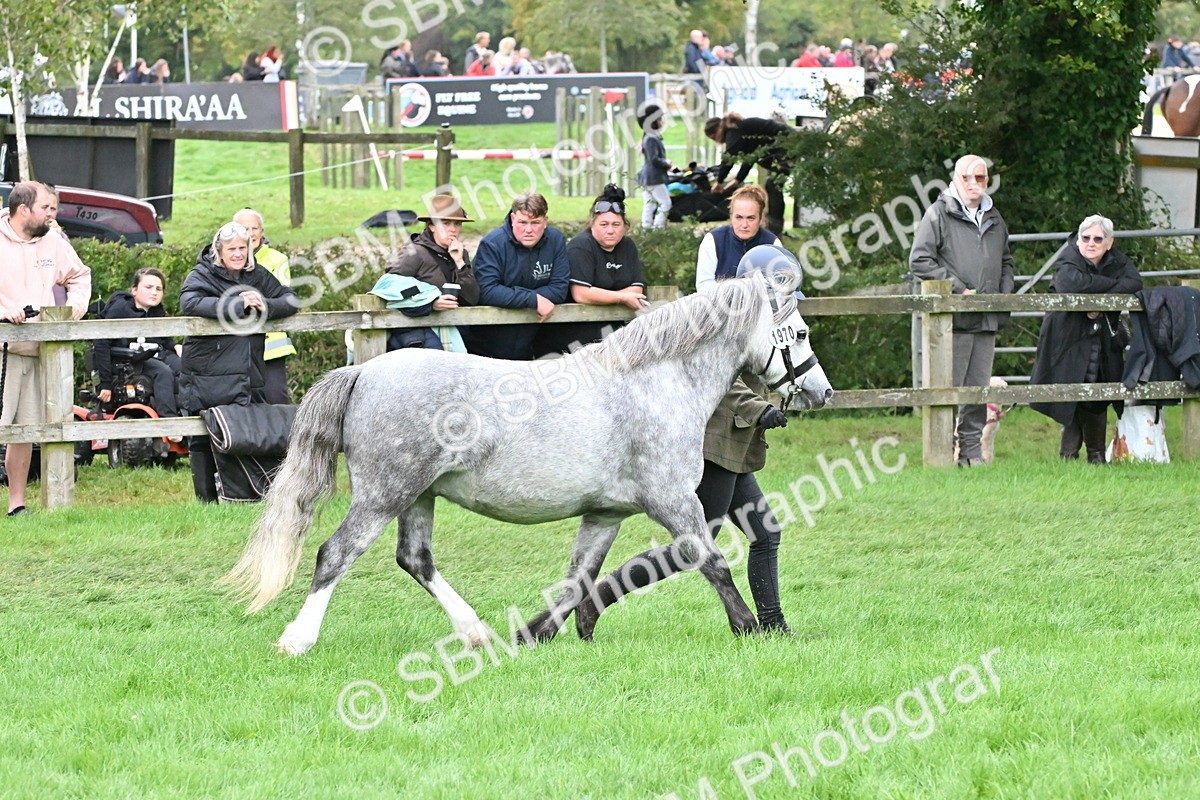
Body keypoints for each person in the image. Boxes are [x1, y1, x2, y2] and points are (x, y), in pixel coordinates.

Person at [573, 244, 803, 638]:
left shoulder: (760, 322)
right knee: (693, 549)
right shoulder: (721, 323)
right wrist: (758, 409)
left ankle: (774, 627)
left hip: (738, 445)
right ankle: (602, 595)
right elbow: (715, 382)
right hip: (714, 445)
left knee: (764, 533)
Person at [178, 222, 298, 501]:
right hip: (208, 370)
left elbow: (290, 299)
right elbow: (190, 302)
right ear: (219, 251)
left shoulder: (256, 274)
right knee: (203, 433)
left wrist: (263, 304)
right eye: (232, 248)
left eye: (243, 248)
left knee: (244, 431)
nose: (238, 254)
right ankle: (205, 501)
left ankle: (242, 496)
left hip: (247, 370)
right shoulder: (202, 273)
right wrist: (237, 304)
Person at [909, 154, 1015, 468]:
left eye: (980, 177)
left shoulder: (995, 216)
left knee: (978, 392)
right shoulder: (939, 213)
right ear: (956, 179)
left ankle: (971, 455)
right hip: (951, 321)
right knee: (947, 392)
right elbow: (920, 260)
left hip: (986, 319)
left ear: (987, 180)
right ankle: (942, 454)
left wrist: (1003, 293)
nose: (973, 184)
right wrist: (958, 289)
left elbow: (1006, 262)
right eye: (967, 177)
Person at [0, 182, 91, 517]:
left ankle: (17, 504)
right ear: (24, 210)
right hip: (3, 349)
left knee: (26, 432)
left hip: (41, 350)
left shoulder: (53, 240)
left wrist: (72, 311)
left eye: (54, 208)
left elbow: (80, 276)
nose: (53, 215)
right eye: (47, 208)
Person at [1030, 215, 1143, 464]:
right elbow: (1069, 283)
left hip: (1101, 337)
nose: (1091, 243)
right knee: (1072, 389)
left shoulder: (1117, 259)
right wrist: (1106, 291)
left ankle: (1096, 456)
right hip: (1067, 336)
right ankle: (1068, 456)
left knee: (1098, 389)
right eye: (1086, 237)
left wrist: (1098, 303)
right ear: (1079, 239)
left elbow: (1134, 282)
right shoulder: (1069, 256)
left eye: (1098, 238)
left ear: (1109, 243)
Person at [537, 185, 646, 356]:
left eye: (616, 224)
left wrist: (602, 295)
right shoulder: (581, 246)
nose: (610, 230)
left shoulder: (628, 246)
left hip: (611, 334)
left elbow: (637, 290)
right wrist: (622, 297)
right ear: (592, 223)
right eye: (604, 224)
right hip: (572, 339)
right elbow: (581, 294)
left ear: (624, 226)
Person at [460, 191, 569, 360]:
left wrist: (513, 295)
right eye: (522, 222)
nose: (528, 230)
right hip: (486, 343)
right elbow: (487, 291)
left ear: (545, 221)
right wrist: (533, 299)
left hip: (535, 341)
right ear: (512, 219)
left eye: (535, 223)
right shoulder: (492, 244)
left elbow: (560, 289)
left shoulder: (556, 240)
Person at [384, 194, 480, 350]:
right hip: (417, 335)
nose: (452, 229)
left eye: (457, 224)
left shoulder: (461, 253)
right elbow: (390, 289)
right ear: (431, 226)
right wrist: (430, 302)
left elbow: (472, 299)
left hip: (454, 333)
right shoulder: (413, 252)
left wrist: (460, 263)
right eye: (446, 223)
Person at [93, 268, 182, 423]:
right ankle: (170, 422)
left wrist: (176, 346)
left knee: (187, 368)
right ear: (134, 290)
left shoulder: (157, 312)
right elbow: (102, 344)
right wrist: (105, 384)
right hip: (128, 361)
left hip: (155, 356)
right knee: (163, 372)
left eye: (158, 289)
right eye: (148, 287)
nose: (154, 292)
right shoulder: (120, 309)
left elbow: (164, 340)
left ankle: (190, 415)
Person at [233, 209, 295, 404]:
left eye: (254, 228)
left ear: (262, 231)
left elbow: (283, 297)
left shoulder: (278, 259)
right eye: (245, 229)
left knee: (276, 398)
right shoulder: (227, 258)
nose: (250, 233)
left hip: (271, 346)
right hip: (237, 346)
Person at [704, 113, 795, 235]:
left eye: (714, 138)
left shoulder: (733, 130)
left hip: (788, 144)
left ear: (717, 131)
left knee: (774, 186)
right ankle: (774, 227)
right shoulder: (740, 129)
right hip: (784, 146)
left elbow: (729, 157)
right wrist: (737, 179)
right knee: (773, 186)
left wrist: (719, 182)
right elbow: (750, 157)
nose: (717, 141)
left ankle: (775, 228)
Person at [695, 184, 780, 292]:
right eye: (739, 217)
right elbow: (704, 285)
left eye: (751, 218)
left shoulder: (772, 244)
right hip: (720, 305)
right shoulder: (713, 240)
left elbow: (780, 288)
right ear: (731, 216)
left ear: (760, 218)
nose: (744, 224)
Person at [636, 102, 672, 230]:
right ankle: (658, 227)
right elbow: (654, 160)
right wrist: (667, 163)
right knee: (666, 203)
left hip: (648, 178)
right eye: (659, 119)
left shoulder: (650, 137)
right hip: (653, 177)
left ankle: (646, 227)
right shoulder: (651, 138)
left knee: (649, 203)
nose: (662, 122)